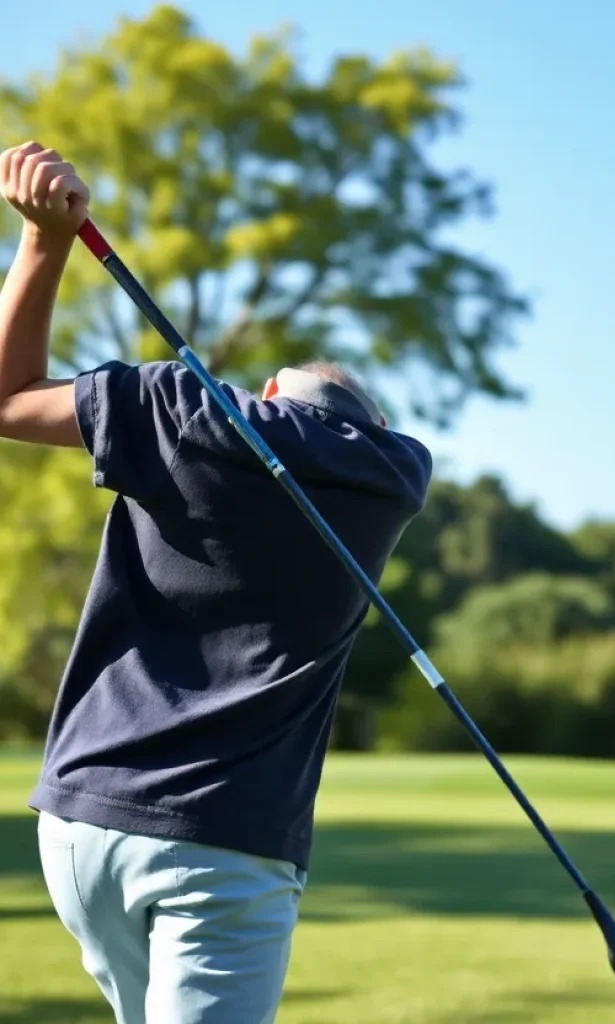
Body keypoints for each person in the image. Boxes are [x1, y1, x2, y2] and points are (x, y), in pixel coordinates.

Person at [0, 141, 432, 1022]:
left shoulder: (180, 407)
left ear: (270, 389)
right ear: (374, 425)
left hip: (82, 822)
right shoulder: (397, 475)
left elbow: (5, 399)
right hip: (224, 842)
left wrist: (45, 242)